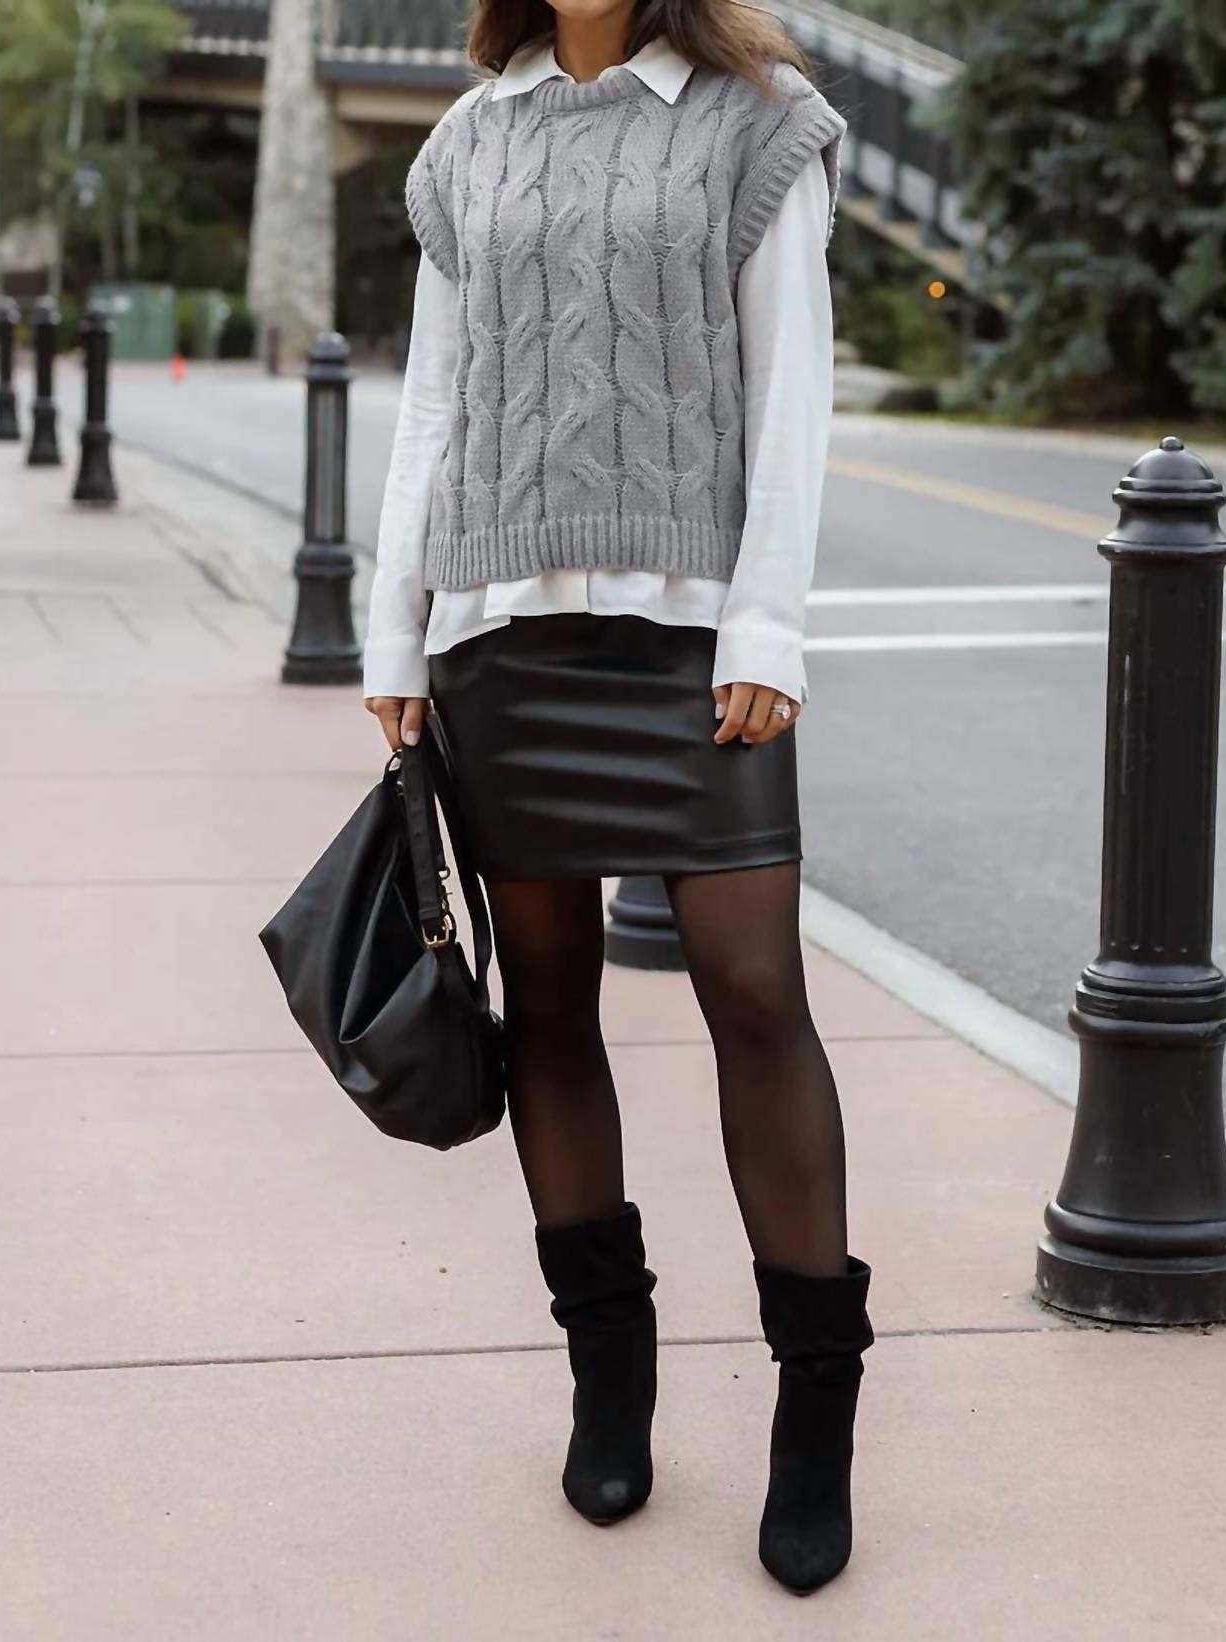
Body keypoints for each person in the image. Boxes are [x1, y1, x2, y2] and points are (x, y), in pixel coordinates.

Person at [363, 0, 872, 1595]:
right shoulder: (468, 142)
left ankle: (816, 1411)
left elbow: (792, 385)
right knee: (551, 1003)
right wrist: (395, 629)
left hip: (695, 633)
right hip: (499, 634)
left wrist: (768, 624)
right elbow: (435, 399)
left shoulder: (755, 119)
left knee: (754, 988)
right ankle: (609, 1370)